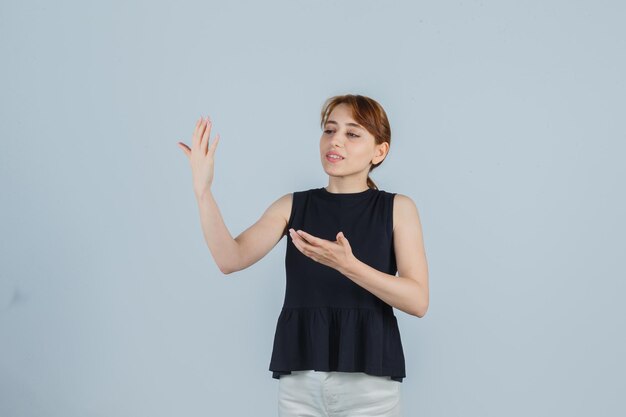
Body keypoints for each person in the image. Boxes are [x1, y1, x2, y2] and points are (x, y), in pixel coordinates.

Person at [177, 94, 429, 417]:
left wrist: (348, 266)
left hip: (371, 388)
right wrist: (203, 191)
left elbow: (418, 300)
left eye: (352, 134)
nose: (336, 141)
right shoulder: (292, 206)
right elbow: (230, 257)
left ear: (379, 151)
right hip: (300, 386)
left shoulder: (398, 209)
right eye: (329, 130)